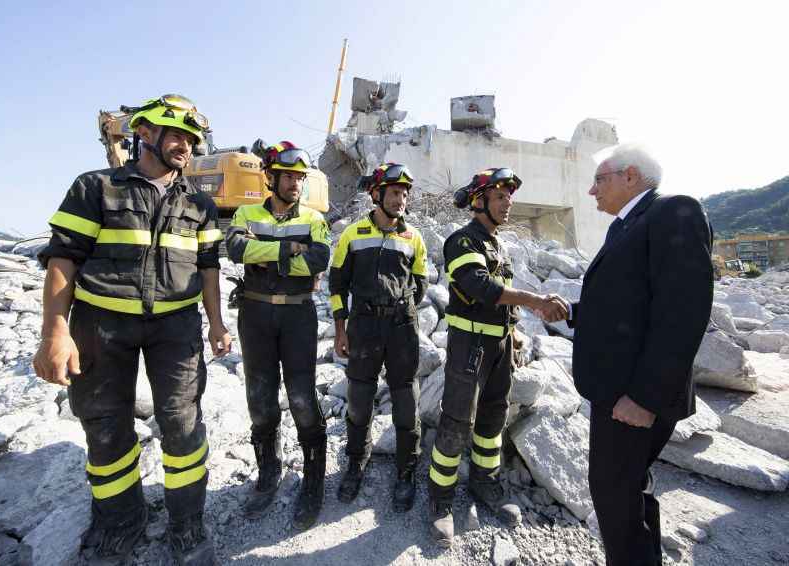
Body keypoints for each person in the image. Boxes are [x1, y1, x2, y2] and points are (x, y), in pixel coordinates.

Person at [34, 94, 230, 566]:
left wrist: (217, 324)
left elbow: (208, 270)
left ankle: (186, 525)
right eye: (177, 135)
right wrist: (54, 332)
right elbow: (64, 259)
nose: (186, 146)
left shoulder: (200, 203)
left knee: (182, 427)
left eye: (191, 138)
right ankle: (120, 523)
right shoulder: (96, 187)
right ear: (145, 133)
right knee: (105, 428)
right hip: (101, 325)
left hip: (176, 327)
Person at [564, 143, 713, 565]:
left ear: (630, 176)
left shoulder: (673, 212)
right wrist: (573, 311)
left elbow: (683, 313)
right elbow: (628, 303)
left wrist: (646, 398)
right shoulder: (624, 227)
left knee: (613, 493)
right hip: (618, 390)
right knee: (627, 489)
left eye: (599, 180)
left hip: (633, 396)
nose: (592, 191)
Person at [427, 168, 567, 547]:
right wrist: (535, 301)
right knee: (457, 421)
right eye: (501, 197)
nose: (508, 204)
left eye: (510, 198)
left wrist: (515, 327)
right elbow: (479, 286)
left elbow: (500, 296)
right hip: (469, 346)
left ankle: (485, 484)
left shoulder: (497, 244)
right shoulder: (460, 241)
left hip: (500, 346)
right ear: (480, 201)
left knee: (492, 418)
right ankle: (440, 499)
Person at [225, 141, 331, 530]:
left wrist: (265, 250)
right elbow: (235, 248)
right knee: (260, 398)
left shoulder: (315, 218)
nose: (295, 184)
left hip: (297, 315)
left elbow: (319, 260)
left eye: (300, 178)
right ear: (271, 177)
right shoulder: (246, 211)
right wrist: (288, 250)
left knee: (302, 398)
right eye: (289, 176)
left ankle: (314, 480)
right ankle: (268, 472)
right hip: (255, 312)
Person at [329, 163, 429, 512]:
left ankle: (407, 469)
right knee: (359, 398)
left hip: (402, 328)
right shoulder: (353, 234)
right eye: (394, 193)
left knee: (407, 401)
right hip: (363, 327)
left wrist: (404, 311)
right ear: (377, 195)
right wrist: (341, 328)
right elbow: (337, 284)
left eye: (404, 194)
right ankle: (356, 460)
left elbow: (421, 281)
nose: (401, 199)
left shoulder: (413, 237)